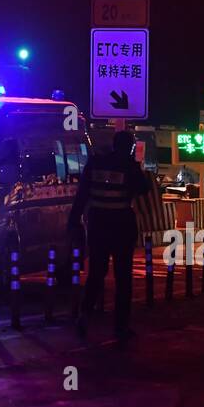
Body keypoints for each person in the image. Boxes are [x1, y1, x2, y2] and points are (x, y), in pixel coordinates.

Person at [69, 129, 151, 341]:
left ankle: (84, 315)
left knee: (96, 273)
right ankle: (120, 327)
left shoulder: (95, 164)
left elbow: (82, 195)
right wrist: (136, 166)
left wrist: (74, 220)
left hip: (98, 225)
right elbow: (144, 188)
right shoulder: (129, 167)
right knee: (123, 278)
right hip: (121, 226)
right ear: (130, 147)